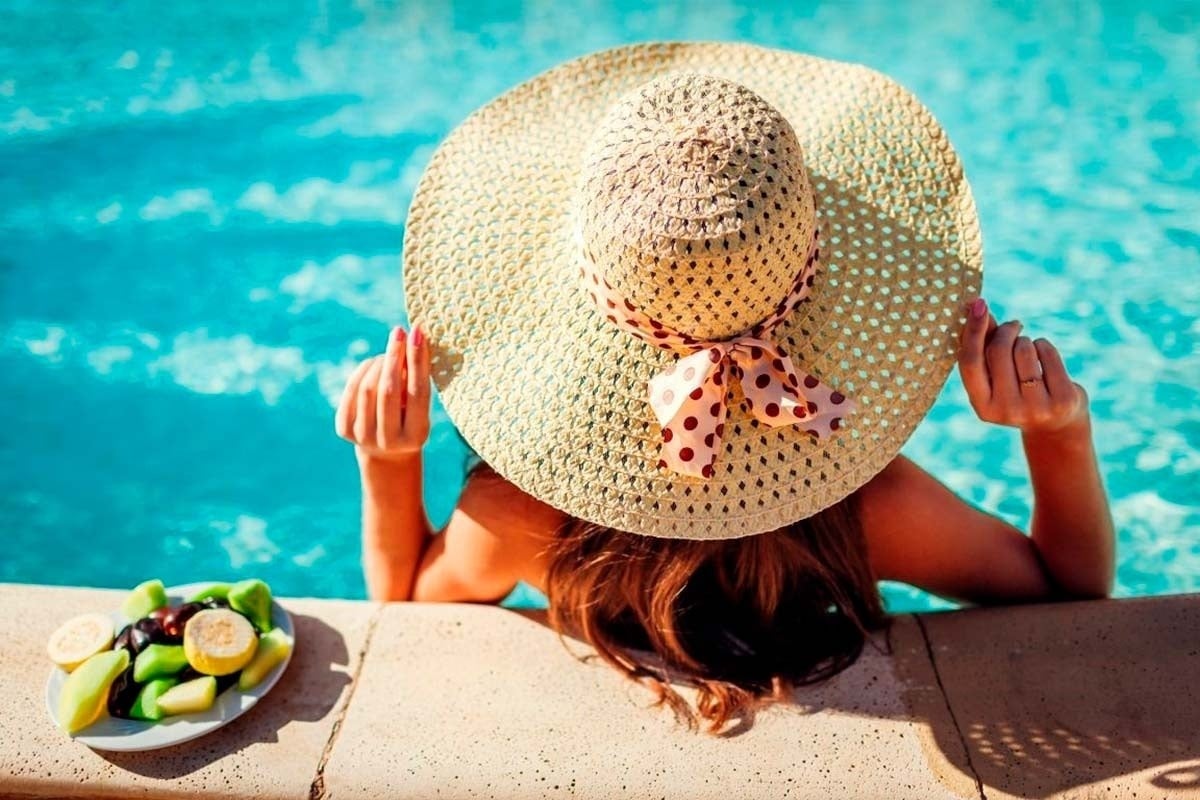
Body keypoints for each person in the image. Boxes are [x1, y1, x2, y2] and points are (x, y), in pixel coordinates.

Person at [335, 44, 1115, 733]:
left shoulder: (521, 515)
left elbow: (402, 616)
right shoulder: (870, 512)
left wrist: (389, 459)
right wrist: (1058, 431)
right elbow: (1070, 590)